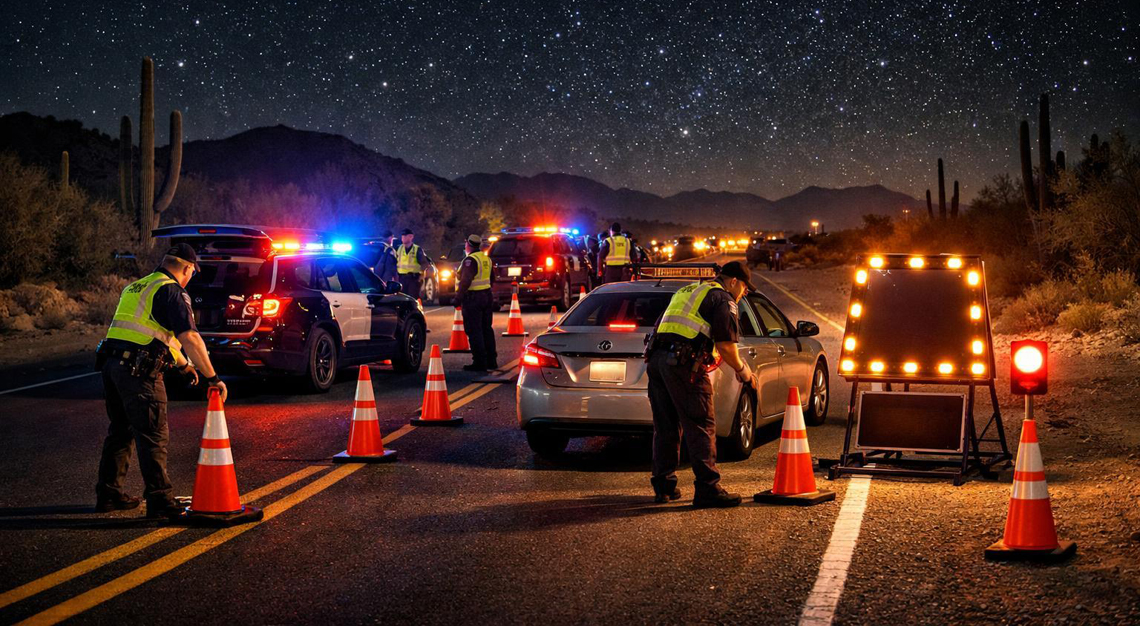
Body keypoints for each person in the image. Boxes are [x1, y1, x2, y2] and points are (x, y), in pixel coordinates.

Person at [95, 243, 228, 519]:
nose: (191, 278)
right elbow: (189, 337)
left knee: (121, 430)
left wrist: (184, 366)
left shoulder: (137, 286)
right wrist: (212, 377)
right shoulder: (172, 291)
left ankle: (109, 494)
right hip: (138, 372)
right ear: (187, 268)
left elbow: (152, 332)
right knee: (153, 434)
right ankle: (160, 500)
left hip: (111, 366)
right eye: (192, 272)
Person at [645, 260, 756, 508]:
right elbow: (727, 346)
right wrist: (744, 372)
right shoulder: (723, 298)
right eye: (745, 287)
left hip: (657, 361)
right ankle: (708, 489)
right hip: (684, 365)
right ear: (734, 281)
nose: (745, 293)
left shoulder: (688, 290)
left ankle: (664, 487)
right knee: (701, 424)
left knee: (666, 426)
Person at [454, 234, 498, 372]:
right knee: (486, 329)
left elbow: (465, 280)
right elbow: (492, 279)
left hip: (473, 299)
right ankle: (491, 360)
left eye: (466, 243)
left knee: (474, 330)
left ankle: (479, 362)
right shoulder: (486, 259)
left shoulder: (470, 260)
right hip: (486, 296)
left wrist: (458, 298)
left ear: (468, 244)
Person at [395, 228, 430, 299]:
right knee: (402, 299)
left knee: (412, 298)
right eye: (402, 236)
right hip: (401, 279)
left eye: (405, 236)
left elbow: (424, 263)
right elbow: (393, 263)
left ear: (411, 237)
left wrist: (421, 275)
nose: (403, 238)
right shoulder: (398, 248)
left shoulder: (417, 249)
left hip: (413, 279)